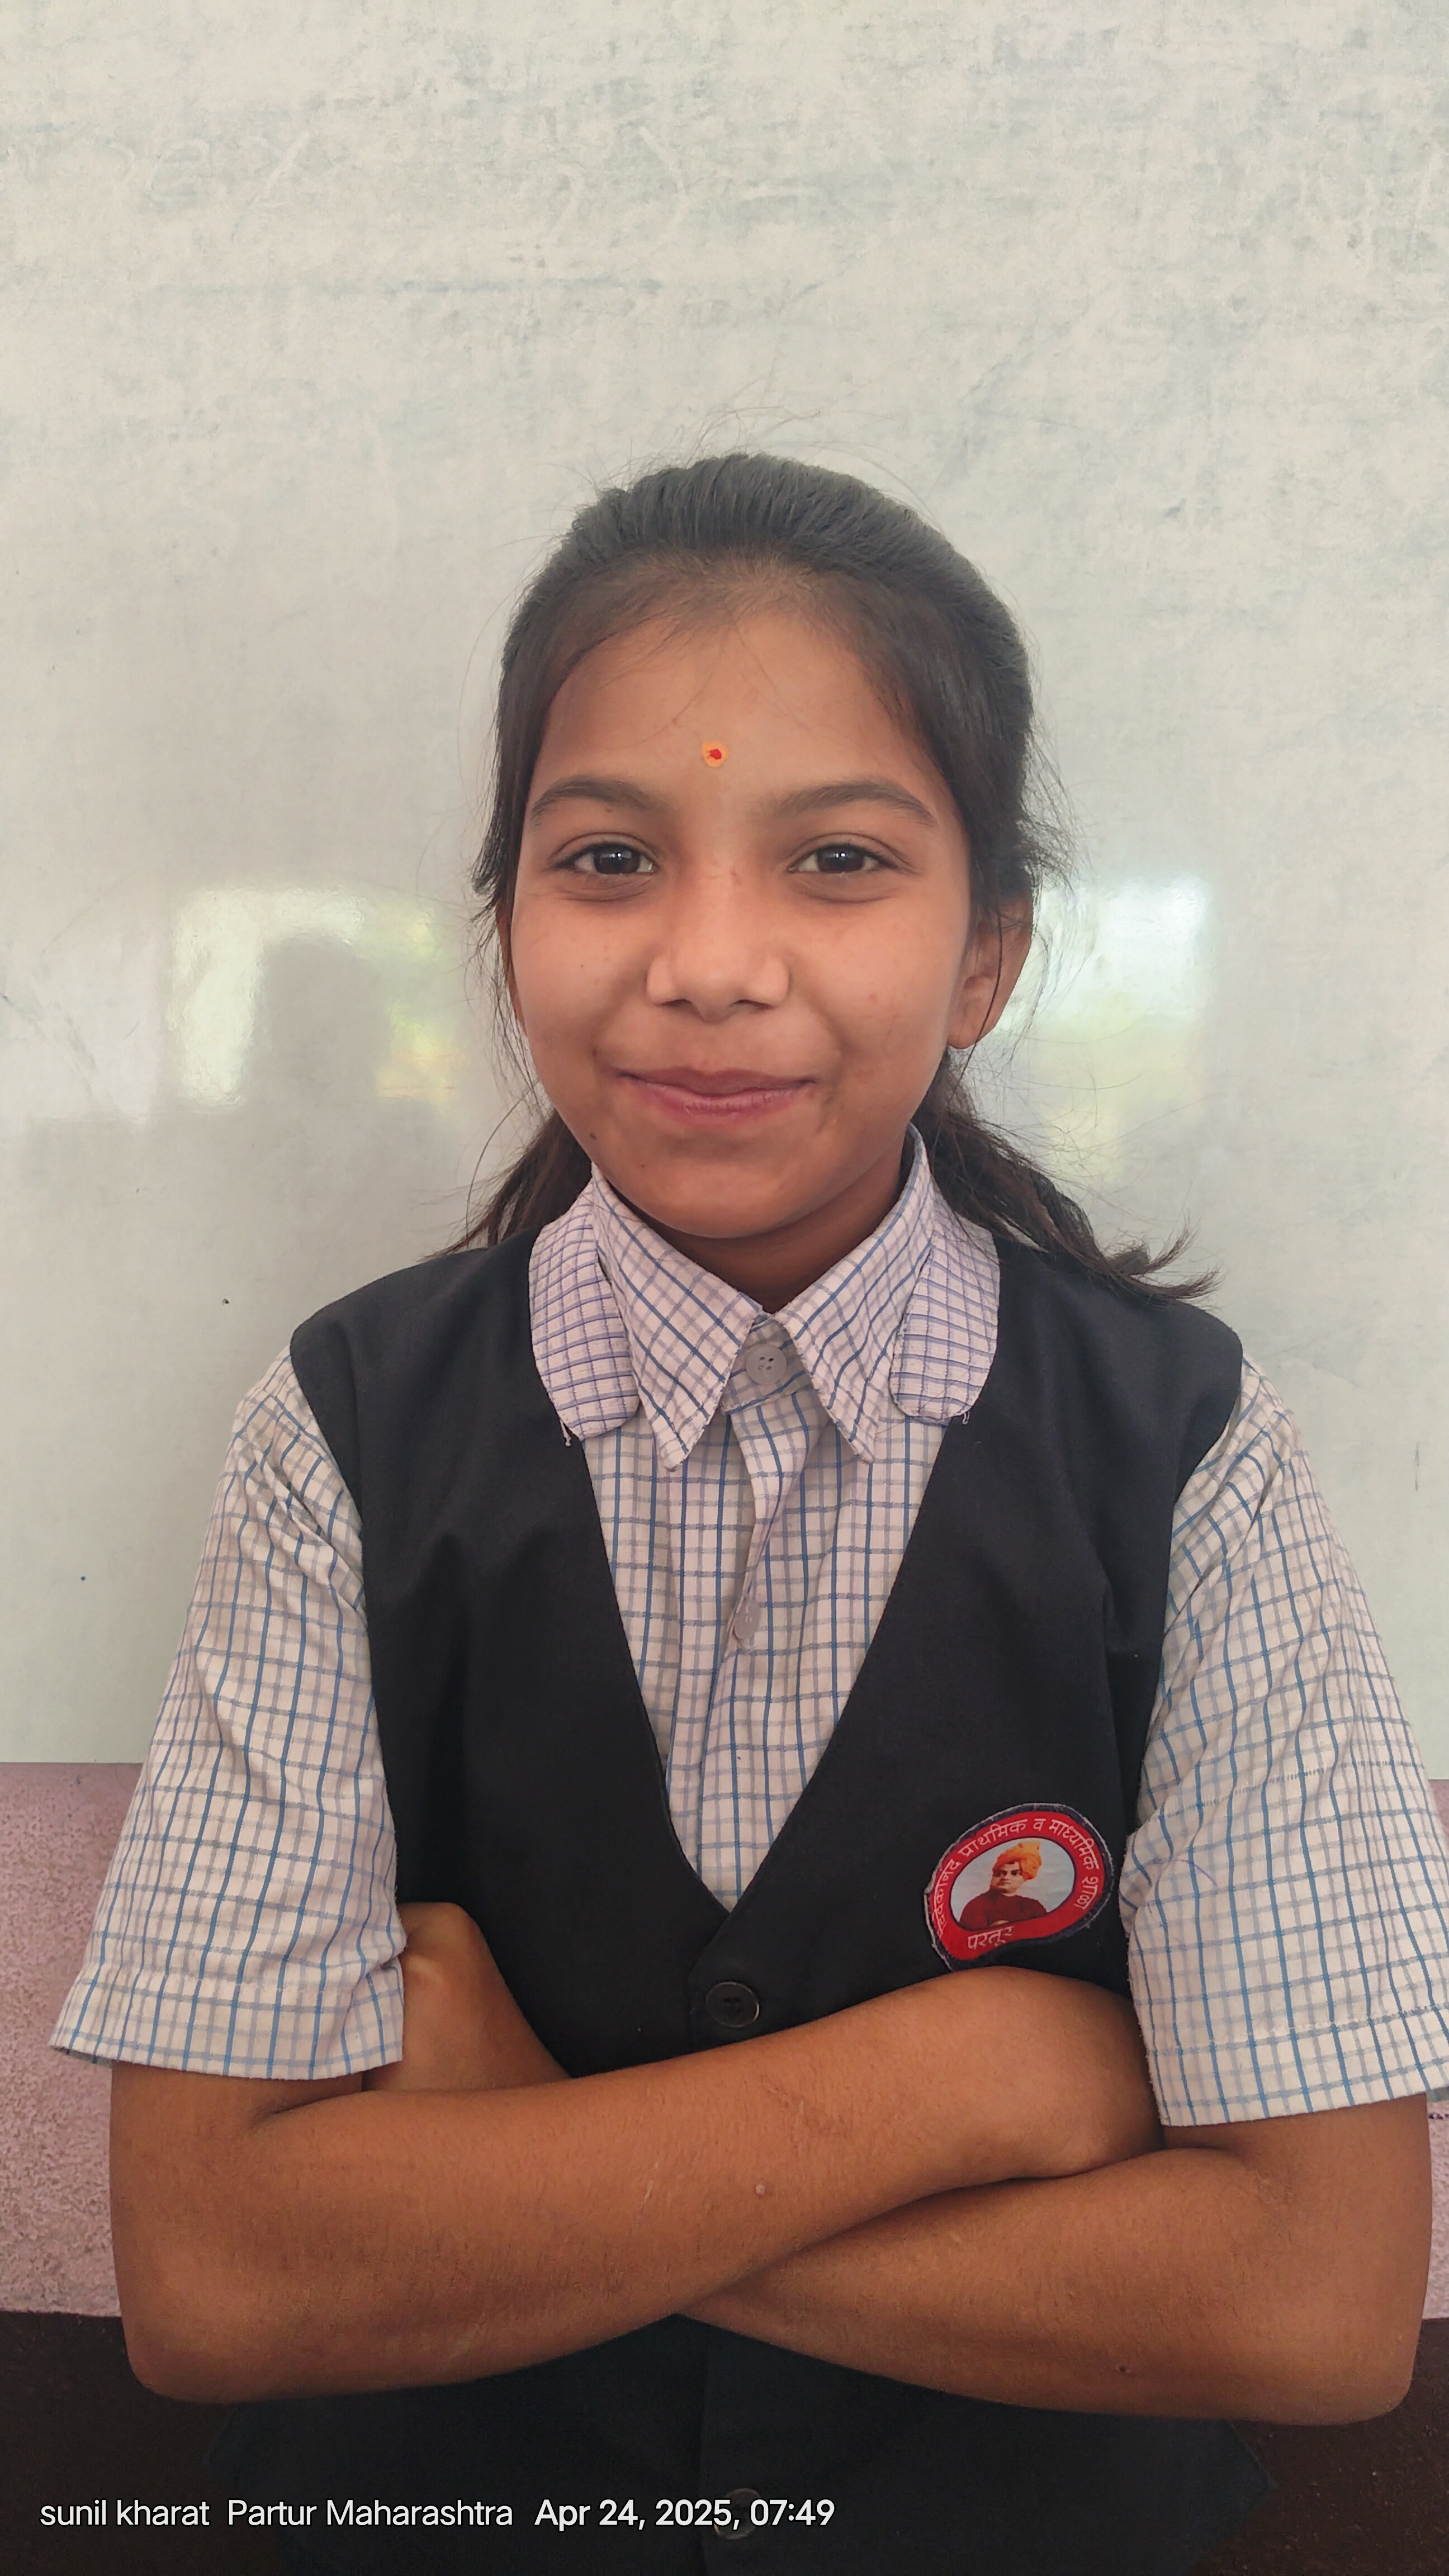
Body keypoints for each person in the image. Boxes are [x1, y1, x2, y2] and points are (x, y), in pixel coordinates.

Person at [53, 453, 1449, 2576]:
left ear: (985, 955)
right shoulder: (341, 1430)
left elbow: (1314, 2304)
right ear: (505, 919)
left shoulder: (1184, 1451)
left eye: (839, 859)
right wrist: (973, 2078)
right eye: (609, 855)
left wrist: (521, 2155)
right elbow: (217, 2282)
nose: (708, 963)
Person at [955, 1843, 1048, 1931]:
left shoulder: (1034, 1907)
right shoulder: (977, 1905)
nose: (1006, 1878)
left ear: (1025, 1877)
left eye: (1014, 1873)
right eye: (1000, 1873)